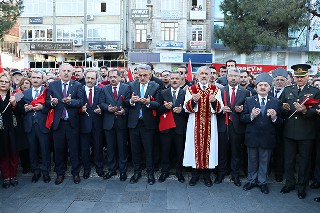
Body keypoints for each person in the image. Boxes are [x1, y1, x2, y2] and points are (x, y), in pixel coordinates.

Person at [280, 64, 320, 199]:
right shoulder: (287, 90)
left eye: (302, 77)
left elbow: (317, 111)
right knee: (289, 160)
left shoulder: (315, 91)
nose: (299, 79)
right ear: (293, 77)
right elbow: (281, 108)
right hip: (289, 132)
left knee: (304, 162)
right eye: (297, 77)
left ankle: (302, 186)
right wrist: (284, 108)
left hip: (306, 133)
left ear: (307, 76)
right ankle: (289, 183)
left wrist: (306, 111)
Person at [241, 73, 283, 194]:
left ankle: (262, 182)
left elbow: (280, 121)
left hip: (267, 138)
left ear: (270, 87)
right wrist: (252, 116)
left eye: (265, 85)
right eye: (260, 85)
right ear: (256, 87)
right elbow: (243, 118)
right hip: (252, 137)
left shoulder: (276, 101)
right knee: (252, 160)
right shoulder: (249, 100)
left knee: (265, 161)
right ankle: (252, 180)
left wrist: (275, 117)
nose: (263, 87)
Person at [183, 66, 223, 187]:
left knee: (209, 150)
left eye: (206, 73)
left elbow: (219, 110)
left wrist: (214, 101)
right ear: (197, 76)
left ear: (211, 75)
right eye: (202, 74)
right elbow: (186, 108)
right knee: (193, 149)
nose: (204, 76)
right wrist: (193, 101)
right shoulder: (191, 89)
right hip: (194, 125)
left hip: (210, 124)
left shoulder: (216, 90)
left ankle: (207, 176)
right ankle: (194, 176)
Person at [45, 63, 84, 185]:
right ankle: (60, 174)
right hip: (58, 123)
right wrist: (53, 103)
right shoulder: (52, 85)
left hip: (72, 123)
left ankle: (76, 173)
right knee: (58, 150)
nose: (66, 73)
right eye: (64, 71)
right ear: (59, 73)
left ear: (72, 73)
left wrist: (71, 101)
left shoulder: (77, 85)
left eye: (68, 71)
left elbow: (81, 101)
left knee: (74, 150)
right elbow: (47, 102)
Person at [124, 64, 160, 185]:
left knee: (149, 150)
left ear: (150, 74)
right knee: (135, 149)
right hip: (134, 123)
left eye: (145, 75)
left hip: (148, 123)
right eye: (140, 75)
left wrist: (150, 103)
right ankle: (137, 172)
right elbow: (125, 102)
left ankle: (150, 173)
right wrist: (131, 101)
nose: (142, 78)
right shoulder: (131, 85)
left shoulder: (155, 86)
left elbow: (159, 104)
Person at [215, 68, 250, 186]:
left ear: (239, 78)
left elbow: (247, 109)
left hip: (237, 126)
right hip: (223, 125)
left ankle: (235, 175)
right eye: (231, 76)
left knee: (236, 151)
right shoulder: (220, 90)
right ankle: (221, 173)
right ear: (227, 77)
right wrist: (220, 109)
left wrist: (242, 110)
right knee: (222, 150)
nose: (233, 78)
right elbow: (215, 107)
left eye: (236, 76)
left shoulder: (245, 92)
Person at [100, 69, 130, 181]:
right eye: (111, 77)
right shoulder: (104, 89)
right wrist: (107, 108)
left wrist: (124, 111)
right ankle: (112, 169)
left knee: (122, 148)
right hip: (109, 122)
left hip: (121, 122)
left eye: (114, 77)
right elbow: (101, 103)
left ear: (119, 77)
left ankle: (123, 171)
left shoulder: (126, 88)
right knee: (110, 148)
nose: (112, 79)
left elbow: (129, 104)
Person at [158, 71, 188, 183]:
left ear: (181, 80)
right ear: (169, 80)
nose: (175, 80)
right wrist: (165, 107)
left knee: (179, 151)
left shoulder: (185, 94)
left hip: (180, 128)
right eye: (173, 78)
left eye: (177, 78)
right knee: (165, 151)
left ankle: (179, 172)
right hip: (166, 127)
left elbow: (189, 111)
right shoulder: (163, 93)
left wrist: (182, 110)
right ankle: (164, 172)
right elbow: (158, 110)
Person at [22, 70, 51, 183]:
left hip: (43, 125)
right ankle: (36, 172)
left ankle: (45, 172)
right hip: (30, 125)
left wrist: (42, 108)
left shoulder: (47, 92)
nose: (35, 79)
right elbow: (19, 108)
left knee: (44, 150)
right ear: (30, 79)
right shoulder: (25, 92)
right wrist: (25, 109)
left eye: (38, 78)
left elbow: (51, 107)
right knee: (32, 150)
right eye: (34, 77)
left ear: (42, 80)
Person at [78, 69, 104, 179]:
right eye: (88, 78)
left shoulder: (100, 90)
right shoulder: (79, 90)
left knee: (98, 147)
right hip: (83, 123)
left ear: (96, 80)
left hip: (97, 123)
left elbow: (103, 103)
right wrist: (80, 109)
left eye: (92, 78)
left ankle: (99, 168)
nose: (90, 80)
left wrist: (101, 110)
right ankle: (86, 169)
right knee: (84, 148)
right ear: (85, 78)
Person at [0, 73, 24, 188]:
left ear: (10, 83)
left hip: (13, 129)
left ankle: (13, 176)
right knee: (3, 154)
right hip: (1, 129)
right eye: (1, 81)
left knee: (14, 153)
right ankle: (6, 177)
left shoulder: (16, 95)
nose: (4, 83)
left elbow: (21, 111)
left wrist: (15, 103)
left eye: (6, 81)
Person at [269, 68, 288, 182]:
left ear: (286, 81)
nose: (279, 82)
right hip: (268, 126)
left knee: (280, 152)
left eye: (282, 79)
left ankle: (278, 173)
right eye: (277, 79)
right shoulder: (268, 90)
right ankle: (268, 170)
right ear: (273, 80)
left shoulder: (288, 92)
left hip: (282, 127)